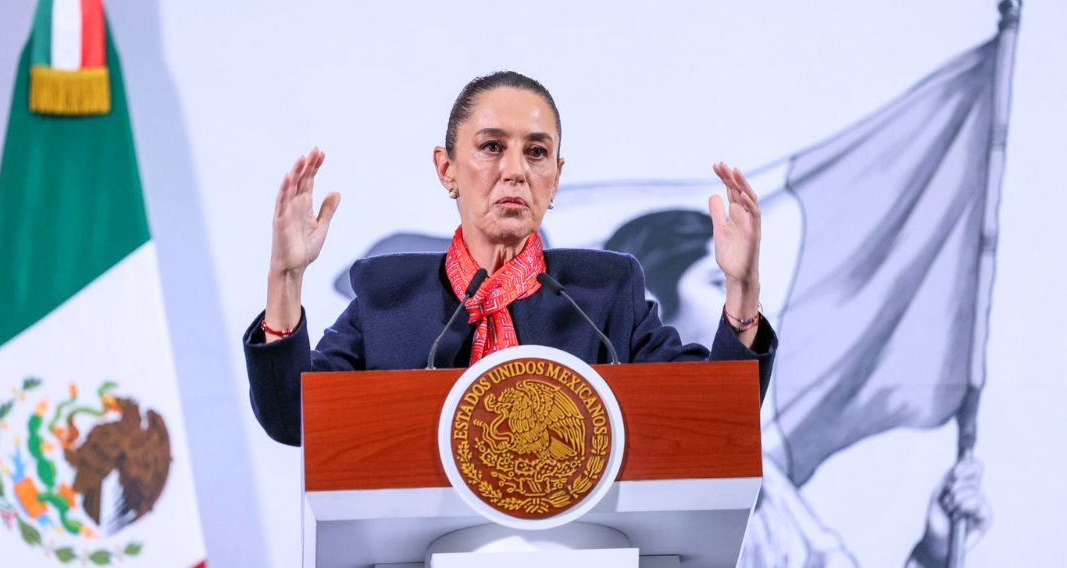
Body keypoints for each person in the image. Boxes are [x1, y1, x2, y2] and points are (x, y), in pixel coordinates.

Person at [244, 71, 777, 446]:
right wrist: (285, 281)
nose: (516, 170)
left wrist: (742, 291)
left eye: (537, 152)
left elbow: (715, 415)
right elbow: (293, 420)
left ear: (556, 177)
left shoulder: (606, 293)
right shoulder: (388, 295)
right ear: (446, 169)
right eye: (492, 147)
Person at [606, 210, 992, 568]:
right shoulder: (586, 468)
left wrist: (931, 560)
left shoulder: (767, 482)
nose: (746, 308)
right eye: (719, 282)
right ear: (646, 305)